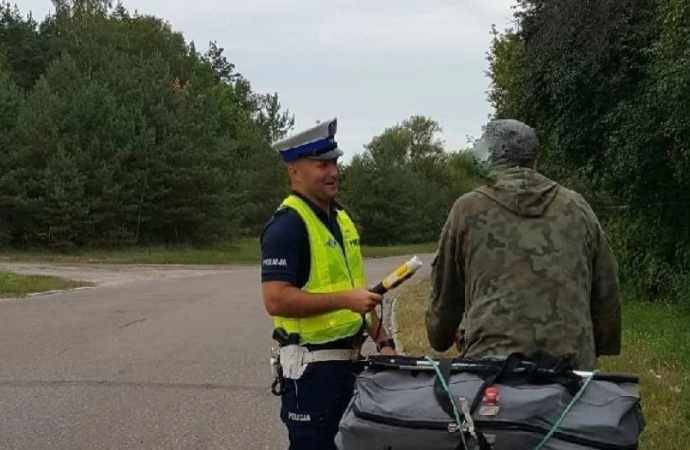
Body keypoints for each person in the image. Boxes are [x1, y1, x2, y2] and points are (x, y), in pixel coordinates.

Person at [425, 118, 621, 371]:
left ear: (489, 157)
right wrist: (597, 347)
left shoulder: (467, 209)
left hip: (491, 370)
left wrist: (440, 334)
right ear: (535, 157)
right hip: (570, 370)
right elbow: (606, 291)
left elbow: (445, 300)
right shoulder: (577, 207)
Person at [260, 118, 397, 450]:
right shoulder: (287, 226)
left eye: (335, 162)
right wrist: (345, 300)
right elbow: (276, 300)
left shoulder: (341, 218)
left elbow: (358, 291)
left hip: (351, 367)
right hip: (311, 374)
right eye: (322, 164)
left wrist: (382, 339)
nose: (333, 171)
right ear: (295, 172)